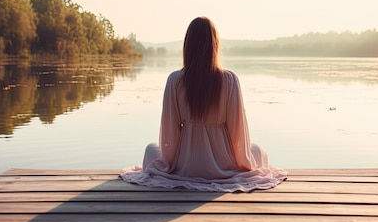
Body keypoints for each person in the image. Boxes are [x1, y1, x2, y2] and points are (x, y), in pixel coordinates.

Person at [120, 17, 287, 192]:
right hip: (223, 166)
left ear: (187, 46)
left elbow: (170, 132)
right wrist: (242, 161)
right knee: (258, 150)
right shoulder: (230, 80)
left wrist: (170, 163)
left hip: (186, 166)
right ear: (215, 45)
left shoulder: (175, 80)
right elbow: (237, 131)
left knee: (150, 149)